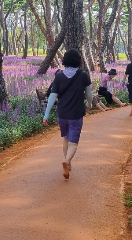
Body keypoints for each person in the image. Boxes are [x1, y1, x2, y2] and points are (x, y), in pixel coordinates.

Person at [43, 49, 93, 180]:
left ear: (65, 60)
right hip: (76, 113)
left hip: (62, 113)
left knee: (65, 138)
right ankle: (67, 161)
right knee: (74, 142)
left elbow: (53, 96)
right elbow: (89, 94)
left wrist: (46, 114)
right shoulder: (83, 75)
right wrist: (90, 104)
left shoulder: (59, 76)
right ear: (78, 60)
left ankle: (68, 162)